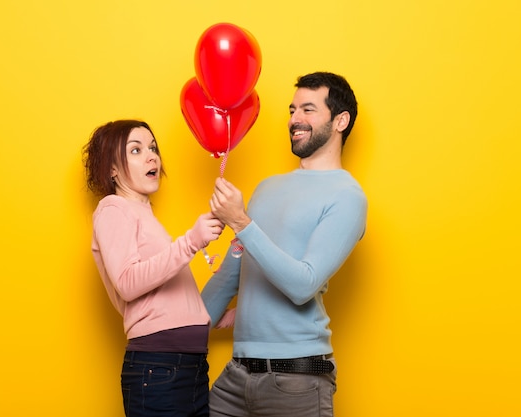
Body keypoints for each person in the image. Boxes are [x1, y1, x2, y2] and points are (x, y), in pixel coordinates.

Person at [201, 72, 368, 417]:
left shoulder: (347, 196)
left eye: (308, 109)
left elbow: (302, 284)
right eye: (292, 110)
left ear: (340, 121)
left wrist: (242, 222)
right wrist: (180, 332)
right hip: (237, 375)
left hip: (298, 380)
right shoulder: (267, 187)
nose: (294, 120)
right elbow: (233, 273)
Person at [82, 119, 224, 417]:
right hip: (159, 369)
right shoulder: (113, 208)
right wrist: (192, 241)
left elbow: (167, 301)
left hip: (188, 367)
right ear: (112, 170)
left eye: (153, 148)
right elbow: (128, 282)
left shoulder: (145, 216)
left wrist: (214, 316)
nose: (151, 156)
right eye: (136, 150)